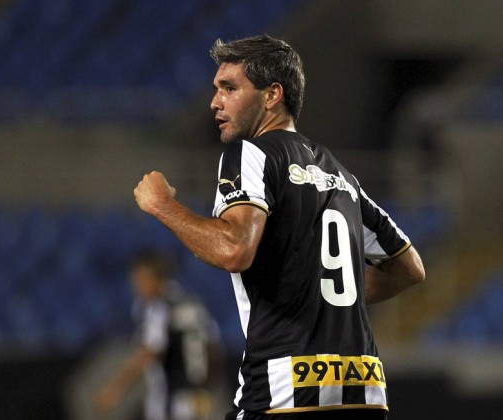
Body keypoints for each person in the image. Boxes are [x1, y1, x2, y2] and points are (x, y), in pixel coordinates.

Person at [133, 35, 425, 420]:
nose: (214, 102)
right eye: (216, 89)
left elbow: (234, 249)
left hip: (285, 386)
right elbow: (410, 268)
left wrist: (162, 206)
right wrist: (316, 295)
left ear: (272, 95)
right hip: (363, 389)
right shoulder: (340, 174)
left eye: (229, 88)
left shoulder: (251, 153)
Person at [95, 251, 220, 420]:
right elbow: (213, 348)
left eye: (140, 280)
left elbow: (150, 351)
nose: (137, 286)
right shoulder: (193, 304)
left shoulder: (158, 307)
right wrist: (206, 386)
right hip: (198, 397)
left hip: (172, 398)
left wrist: (114, 390)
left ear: (155, 279)